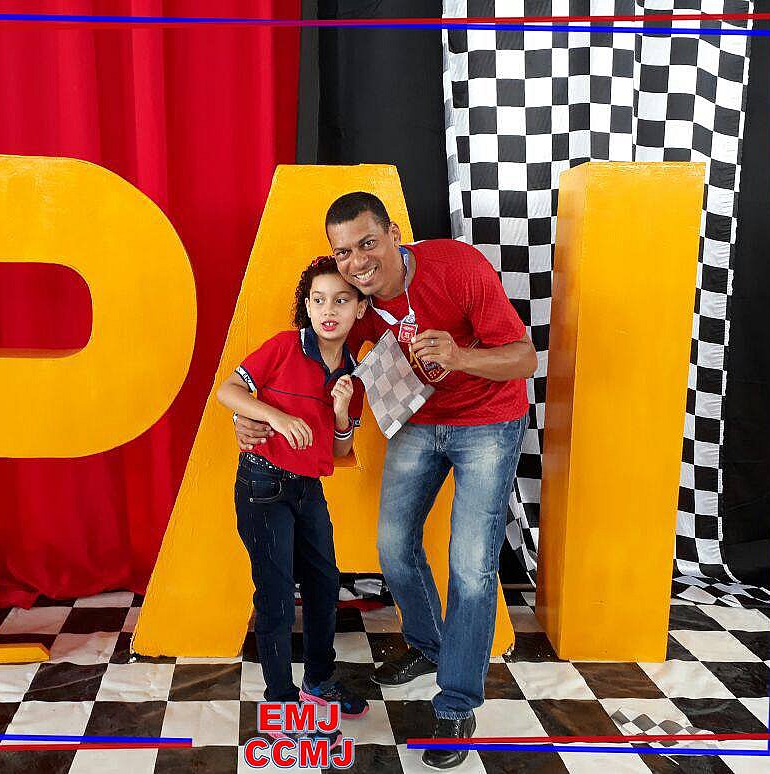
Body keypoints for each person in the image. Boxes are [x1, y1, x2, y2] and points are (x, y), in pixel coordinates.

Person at [234, 193, 536, 770]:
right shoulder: (358, 304)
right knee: (394, 547)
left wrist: (461, 357)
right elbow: (306, 367)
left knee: (471, 565)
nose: (356, 262)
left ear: (394, 234)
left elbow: (524, 358)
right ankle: (428, 646)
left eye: (367, 244)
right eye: (343, 252)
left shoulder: (457, 267)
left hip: (488, 422)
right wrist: (253, 417)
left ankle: (456, 704)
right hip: (419, 424)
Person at [216, 256, 371, 744]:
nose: (329, 310)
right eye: (318, 300)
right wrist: (276, 418)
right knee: (277, 596)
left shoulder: (353, 374)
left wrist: (341, 410)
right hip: (262, 486)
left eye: (341, 301)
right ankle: (281, 702)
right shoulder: (285, 347)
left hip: (309, 490)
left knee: (325, 586)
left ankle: (317, 681)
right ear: (307, 305)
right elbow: (227, 391)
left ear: (359, 308)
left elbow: (341, 449)